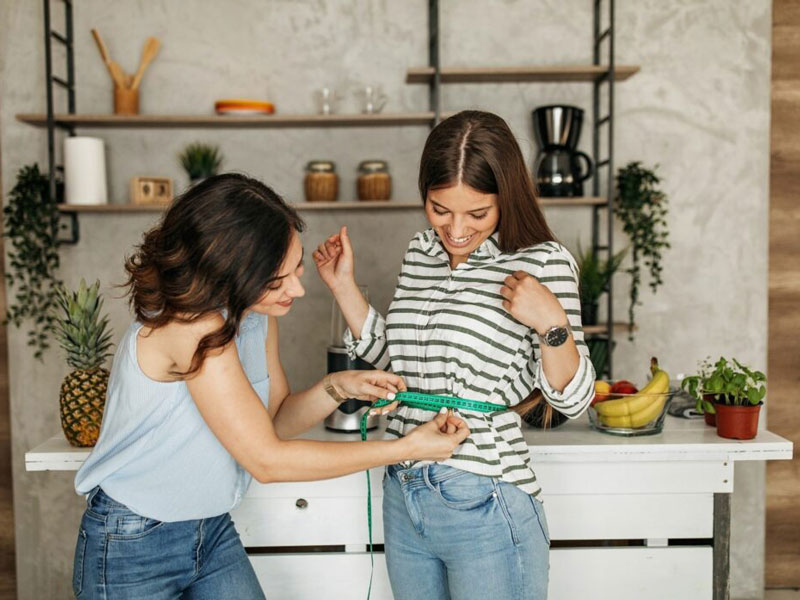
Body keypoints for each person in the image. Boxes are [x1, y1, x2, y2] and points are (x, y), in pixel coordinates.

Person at [71, 173, 469, 600]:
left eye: (295, 267)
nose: (296, 289)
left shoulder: (255, 316)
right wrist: (407, 448)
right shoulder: (192, 327)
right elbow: (267, 461)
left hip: (210, 529)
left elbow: (274, 422)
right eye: (275, 281)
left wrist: (338, 386)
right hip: (134, 540)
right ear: (228, 273)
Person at [314, 110, 595, 600]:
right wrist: (342, 288)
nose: (456, 229)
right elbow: (399, 370)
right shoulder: (421, 251)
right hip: (403, 492)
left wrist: (552, 323)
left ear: (506, 197)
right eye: (440, 209)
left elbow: (574, 401)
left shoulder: (543, 261)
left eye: (477, 213)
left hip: (485, 494)